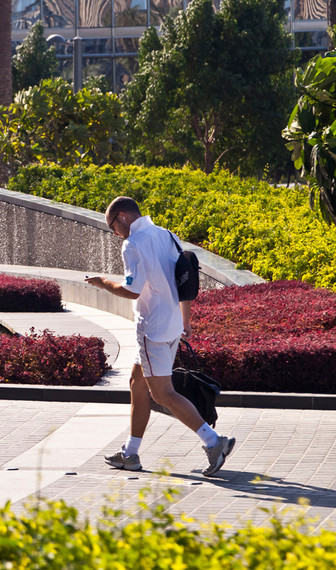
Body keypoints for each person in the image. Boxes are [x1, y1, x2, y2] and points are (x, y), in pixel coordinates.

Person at [85, 196, 235, 477]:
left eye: (112, 227)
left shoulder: (133, 244)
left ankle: (214, 442)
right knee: (136, 383)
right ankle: (130, 453)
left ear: (123, 217)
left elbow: (132, 290)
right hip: (172, 325)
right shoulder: (168, 235)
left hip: (151, 329)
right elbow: (186, 280)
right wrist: (185, 320)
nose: (115, 233)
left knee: (163, 393)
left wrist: (103, 283)